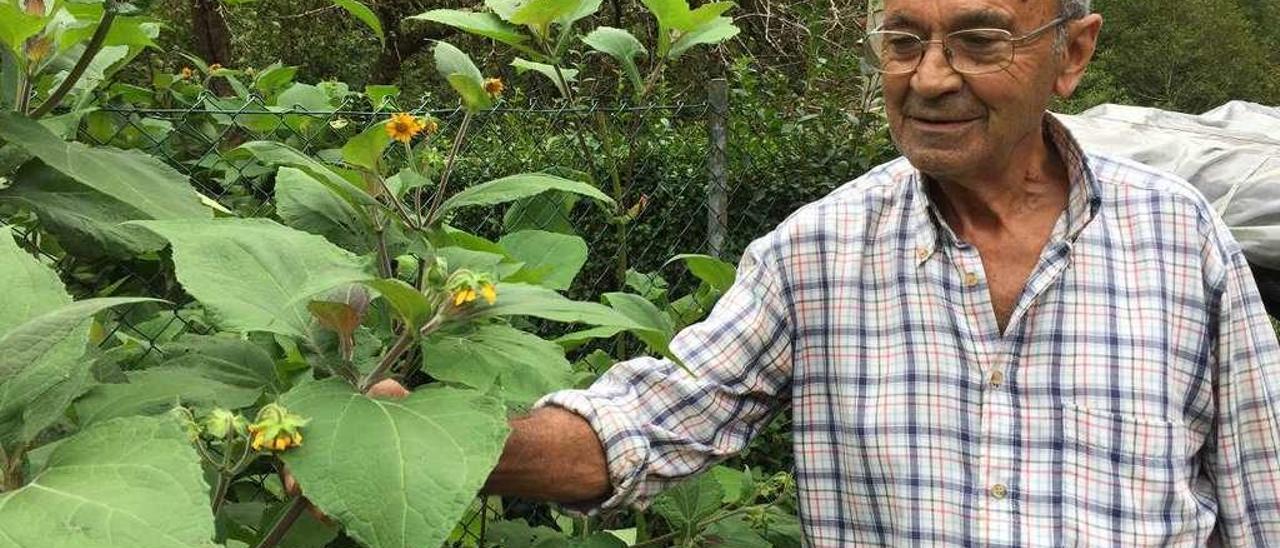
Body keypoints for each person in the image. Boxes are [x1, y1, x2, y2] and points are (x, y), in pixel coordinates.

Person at [372, 0, 1280, 544]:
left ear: (1071, 53)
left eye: (977, 41)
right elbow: (648, 424)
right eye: (901, 41)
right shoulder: (818, 252)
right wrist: (407, 447)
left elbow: (1258, 496)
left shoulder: (1179, 237)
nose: (928, 79)